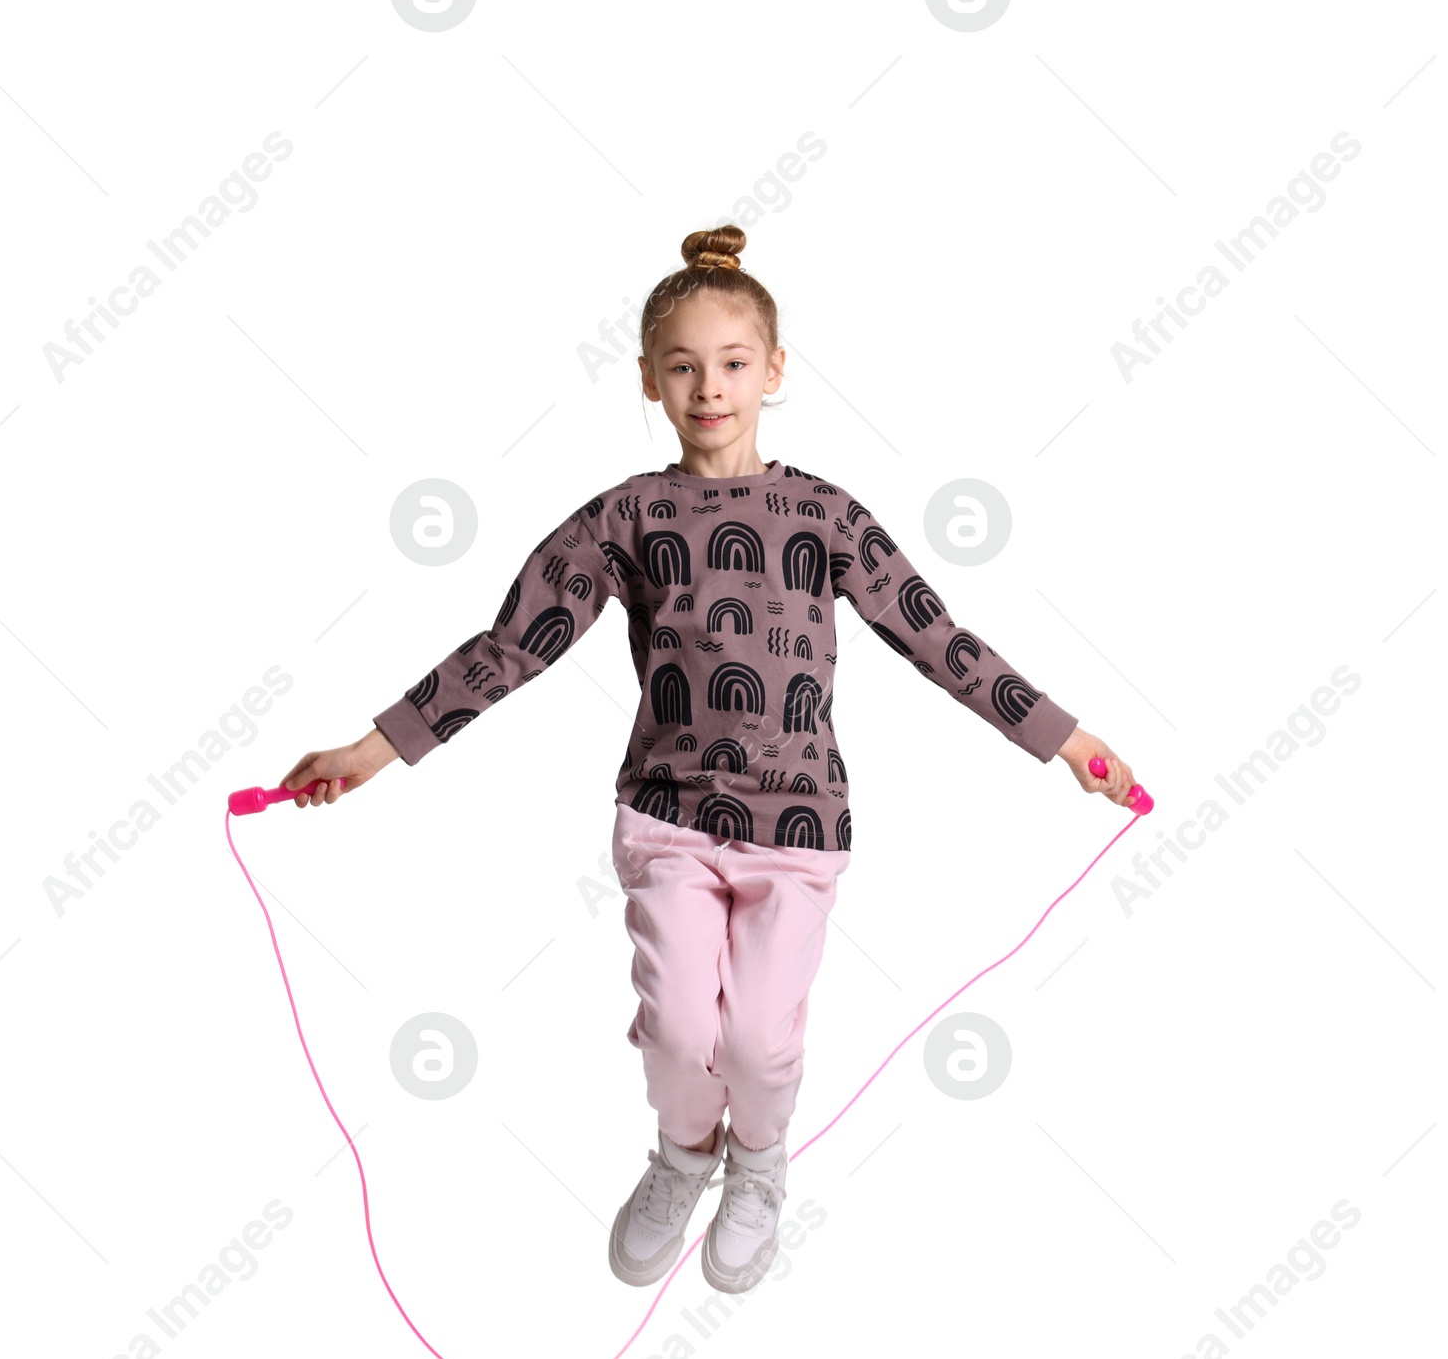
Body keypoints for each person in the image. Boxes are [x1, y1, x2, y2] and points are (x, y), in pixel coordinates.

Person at [281, 224, 1138, 1297]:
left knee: (762, 1048)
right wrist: (374, 749)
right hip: (669, 821)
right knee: (684, 1028)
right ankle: (682, 1158)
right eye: (681, 366)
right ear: (647, 380)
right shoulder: (626, 517)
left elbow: (936, 638)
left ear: (774, 370)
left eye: (732, 363)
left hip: (799, 828)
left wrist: (1061, 736)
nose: (709, 387)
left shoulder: (825, 515)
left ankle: (760, 1169)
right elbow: (513, 645)